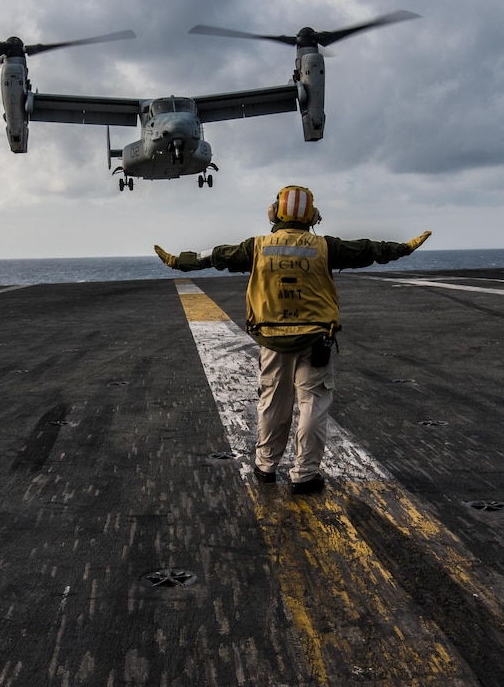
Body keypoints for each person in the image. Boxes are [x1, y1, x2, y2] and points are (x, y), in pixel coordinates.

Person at [154, 185, 432, 494]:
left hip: (272, 338)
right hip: (315, 339)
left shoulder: (258, 246)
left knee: (272, 402)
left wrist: (180, 261)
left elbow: (216, 255)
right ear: (312, 216)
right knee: (312, 403)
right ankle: (305, 475)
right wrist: (405, 248)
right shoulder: (325, 247)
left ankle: (265, 466)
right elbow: (369, 249)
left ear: (275, 213)